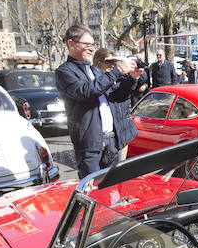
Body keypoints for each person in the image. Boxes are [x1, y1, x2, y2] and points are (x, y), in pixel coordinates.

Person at [55, 24, 142, 178]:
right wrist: (118, 71)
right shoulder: (64, 72)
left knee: (114, 186)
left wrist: (132, 78)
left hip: (112, 141)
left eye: (93, 44)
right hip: (90, 145)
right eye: (86, 44)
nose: (91, 48)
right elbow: (87, 91)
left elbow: (115, 96)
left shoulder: (95, 70)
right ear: (71, 44)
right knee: (93, 190)